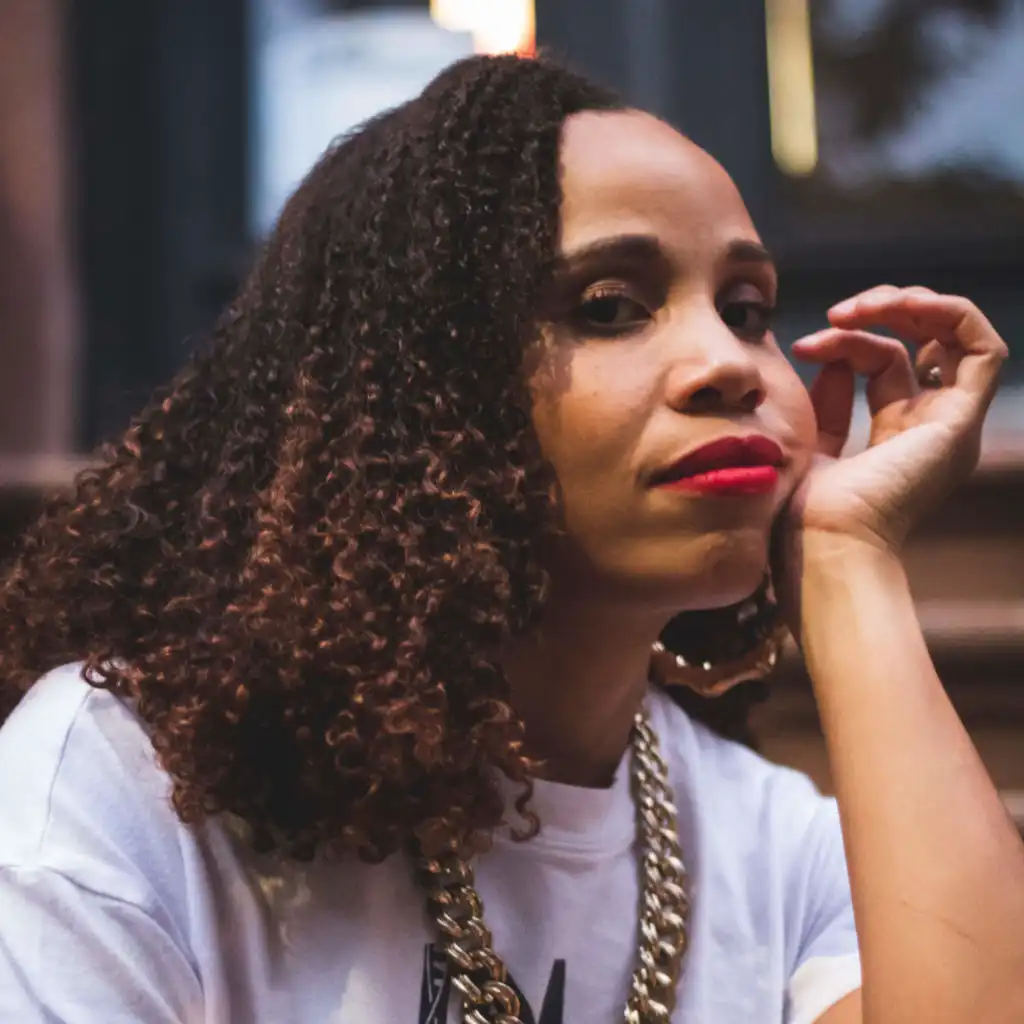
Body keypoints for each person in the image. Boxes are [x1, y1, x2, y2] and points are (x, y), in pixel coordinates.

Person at [0, 53, 1021, 1024]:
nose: (729, 362)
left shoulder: (772, 844)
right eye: (610, 308)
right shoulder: (123, 792)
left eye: (747, 309)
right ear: (415, 391)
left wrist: (845, 556)